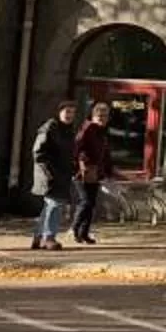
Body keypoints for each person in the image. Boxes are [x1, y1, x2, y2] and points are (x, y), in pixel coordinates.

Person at [30, 101, 79, 250]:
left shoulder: (68, 130)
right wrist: (47, 172)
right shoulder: (50, 128)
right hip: (50, 174)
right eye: (67, 112)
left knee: (50, 205)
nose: (69, 115)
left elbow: (68, 153)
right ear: (59, 112)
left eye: (72, 112)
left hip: (61, 173)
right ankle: (48, 237)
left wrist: (72, 167)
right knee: (54, 205)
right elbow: (38, 152)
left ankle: (39, 237)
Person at [70, 101, 116, 246]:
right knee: (86, 201)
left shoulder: (102, 133)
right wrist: (83, 163)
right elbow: (78, 148)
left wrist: (108, 172)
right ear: (93, 116)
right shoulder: (88, 128)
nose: (102, 118)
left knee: (91, 204)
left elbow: (105, 155)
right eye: (99, 116)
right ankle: (75, 228)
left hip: (95, 172)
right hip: (82, 172)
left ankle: (84, 233)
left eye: (105, 116)